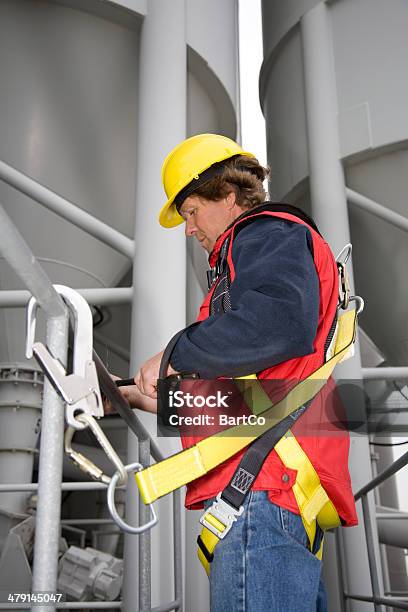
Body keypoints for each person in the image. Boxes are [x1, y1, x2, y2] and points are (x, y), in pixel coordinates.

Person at [113, 134, 357, 612]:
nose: (188, 229)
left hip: (263, 492)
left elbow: (278, 324)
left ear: (228, 197)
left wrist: (174, 353)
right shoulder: (270, 249)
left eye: (190, 211)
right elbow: (256, 397)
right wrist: (153, 397)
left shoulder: (264, 233)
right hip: (275, 494)